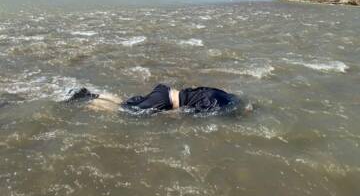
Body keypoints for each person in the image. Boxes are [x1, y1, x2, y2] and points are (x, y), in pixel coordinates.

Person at [66, 84, 247, 114]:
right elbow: (184, 113)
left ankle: (91, 95)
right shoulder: (217, 106)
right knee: (124, 112)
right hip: (165, 102)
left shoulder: (220, 93)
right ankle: (85, 102)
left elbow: (194, 88)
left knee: (126, 104)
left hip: (165, 91)